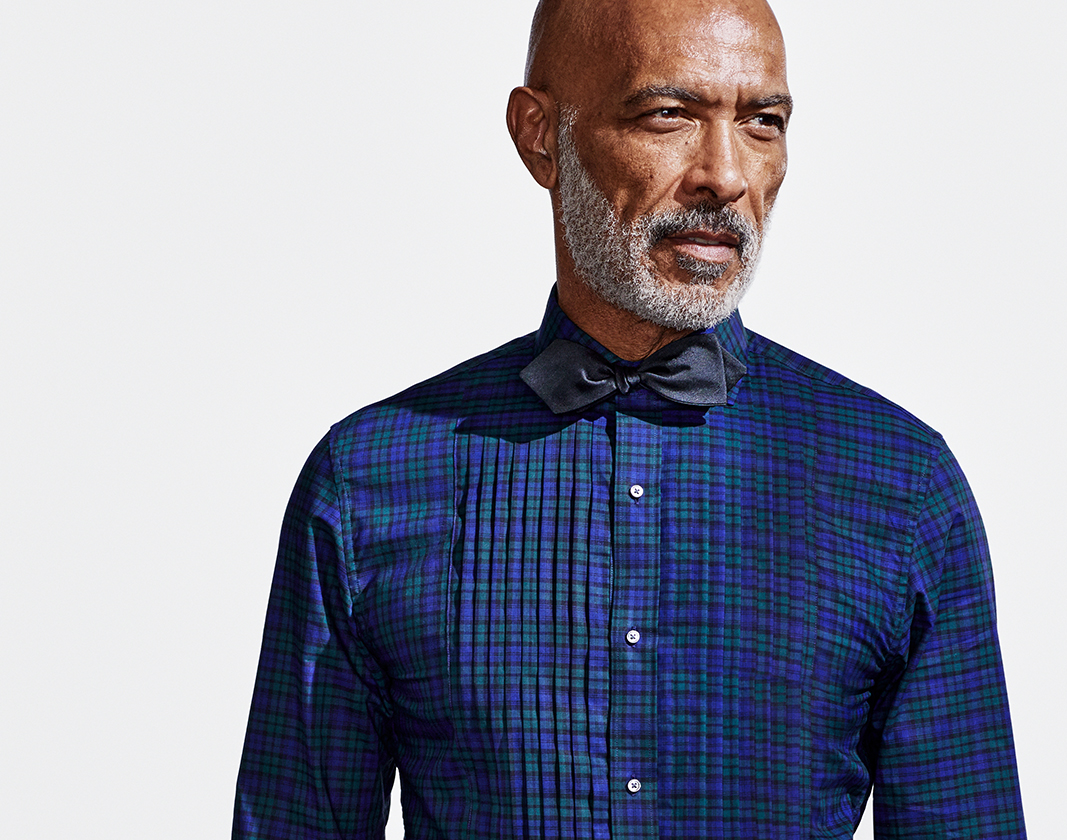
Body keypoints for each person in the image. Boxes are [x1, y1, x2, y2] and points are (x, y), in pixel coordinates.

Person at [233, 0, 1026, 837]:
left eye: (762, 122)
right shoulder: (369, 480)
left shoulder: (900, 484)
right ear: (540, 136)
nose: (725, 175)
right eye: (669, 115)